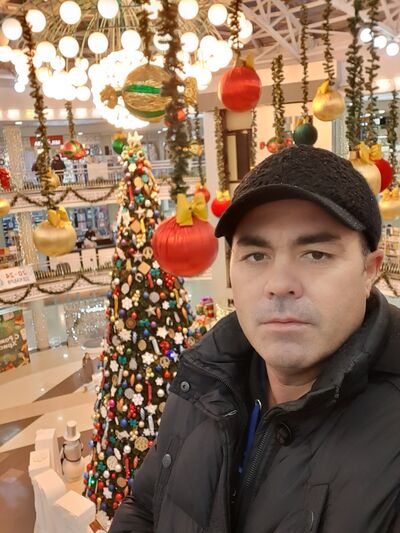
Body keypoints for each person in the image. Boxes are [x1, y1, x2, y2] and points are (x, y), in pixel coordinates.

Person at [109, 146, 400, 533]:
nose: (279, 284)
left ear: (369, 271)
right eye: (256, 256)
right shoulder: (204, 379)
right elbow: (147, 507)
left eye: (316, 254)